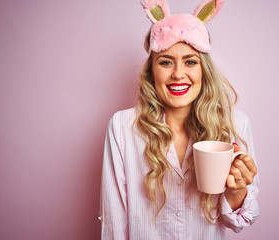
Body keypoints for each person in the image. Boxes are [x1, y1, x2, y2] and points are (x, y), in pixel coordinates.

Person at [99, 0, 259, 239]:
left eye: (190, 61)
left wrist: (238, 190)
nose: (178, 74)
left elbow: (239, 221)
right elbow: (113, 220)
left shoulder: (236, 124)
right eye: (165, 62)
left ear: (204, 70)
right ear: (151, 71)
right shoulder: (122, 127)